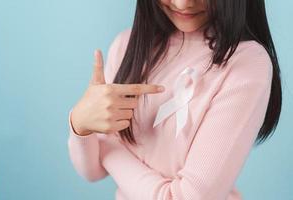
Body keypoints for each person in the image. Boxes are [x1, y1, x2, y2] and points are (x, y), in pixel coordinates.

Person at [67, 0, 282, 199]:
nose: (183, 3)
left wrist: (106, 147)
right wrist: (80, 124)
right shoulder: (127, 45)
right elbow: (92, 171)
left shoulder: (246, 63)